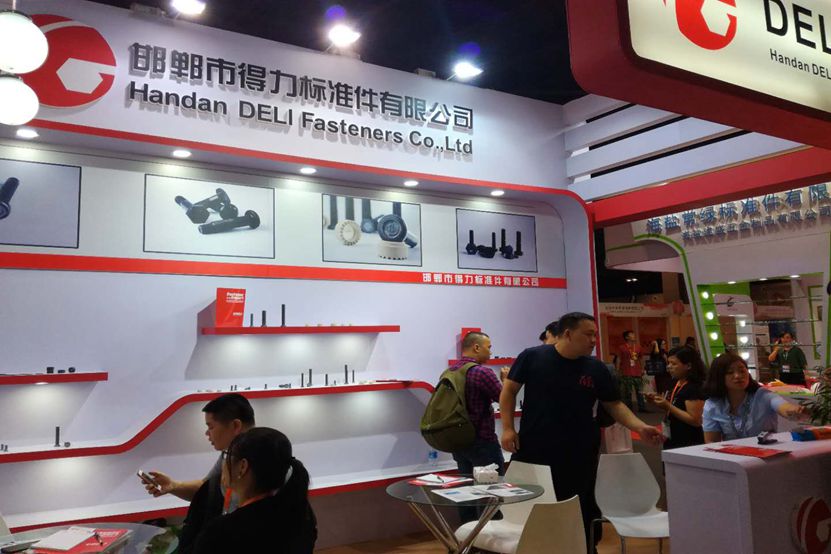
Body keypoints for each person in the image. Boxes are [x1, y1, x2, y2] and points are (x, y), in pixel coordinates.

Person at [500, 312, 662, 554]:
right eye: (588, 334)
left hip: (580, 450)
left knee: (580, 505)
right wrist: (508, 429)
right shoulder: (533, 357)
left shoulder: (596, 368)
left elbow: (613, 404)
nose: (594, 340)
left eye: (595, 335)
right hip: (535, 446)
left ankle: (584, 548)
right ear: (568, 334)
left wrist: (639, 426)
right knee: (534, 503)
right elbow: (509, 391)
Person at [143, 393, 255, 553]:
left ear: (236, 426)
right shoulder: (228, 455)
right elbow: (206, 490)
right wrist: (173, 486)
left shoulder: (263, 458)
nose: (207, 433)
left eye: (211, 427)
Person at [194, 427, 317, 554]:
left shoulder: (219, 534)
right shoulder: (301, 518)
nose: (223, 463)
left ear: (242, 467)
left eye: (227, 455)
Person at [451, 331, 509, 522]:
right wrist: (505, 381)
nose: (490, 352)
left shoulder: (452, 371)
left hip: (458, 440)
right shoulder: (482, 372)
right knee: (491, 492)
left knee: (466, 492)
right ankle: (490, 536)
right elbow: (504, 400)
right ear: (476, 347)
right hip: (483, 442)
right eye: (488, 347)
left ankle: (467, 535)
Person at [702, 352, 806, 443]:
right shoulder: (713, 404)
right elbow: (711, 442)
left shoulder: (763, 395)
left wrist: (796, 410)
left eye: (742, 371)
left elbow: (783, 406)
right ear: (718, 377)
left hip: (766, 454)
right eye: (730, 372)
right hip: (732, 456)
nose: (738, 376)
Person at [645, 346, 706, 449]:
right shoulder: (677, 382)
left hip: (688, 442)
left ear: (688, 366)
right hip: (674, 437)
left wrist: (668, 406)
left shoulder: (694, 387)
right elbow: (677, 407)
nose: (669, 367)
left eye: (673, 364)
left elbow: (696, 420)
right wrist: (657, 401)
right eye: (668, 363)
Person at [616, 330, 646, 411]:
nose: (633, 335)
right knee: (628, 392)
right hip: (626, 372)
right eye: (631, 334)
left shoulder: (638, 347)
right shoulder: (621, 347)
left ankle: (642, 407)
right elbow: (619, 358)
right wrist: (618, 370)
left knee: (640, 391)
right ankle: (629, 408)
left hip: (637, 372)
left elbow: (641, 358)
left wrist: (643, 369)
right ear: (627, 337)